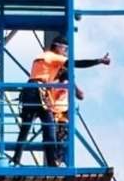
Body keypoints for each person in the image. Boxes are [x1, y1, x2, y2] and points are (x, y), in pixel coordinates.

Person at [12, 36, 110, 167]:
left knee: (26, 128)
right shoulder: (54, 57)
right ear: (58, 47)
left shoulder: (41, 56)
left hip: (29, 90)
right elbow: (76, 63)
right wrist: (99, 61)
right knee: (49, 127)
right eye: (65, 49)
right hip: (39, 92)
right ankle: (52, 162)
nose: (65, 53)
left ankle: (16, 159)